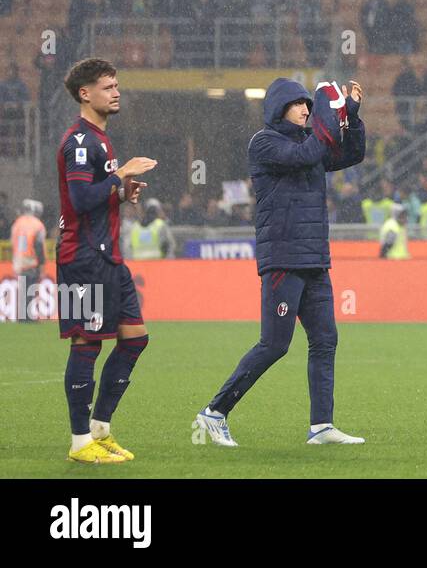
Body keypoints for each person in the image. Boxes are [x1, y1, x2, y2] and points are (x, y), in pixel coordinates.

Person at [196, 77, 367, 447]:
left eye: (310, 104)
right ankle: (215, 411)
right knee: (275, 344)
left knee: (325, 340)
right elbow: (307, 156)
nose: (306, 109)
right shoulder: (265, 143)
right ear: (279, 108)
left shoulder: (311, 141)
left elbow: (351, 153)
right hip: (284, 259)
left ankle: (321, 426)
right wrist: (327, 107)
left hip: (314, 259)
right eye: (299, 104)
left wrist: (349, 115)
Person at [57, 58, 156, 463]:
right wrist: (120, 176)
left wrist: (119, 193)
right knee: (87, 343)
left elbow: (94, 196)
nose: (116, 92)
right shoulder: (79, 141)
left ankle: (101, 428)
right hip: (81, 257)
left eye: (117, 86)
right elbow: (79, 200)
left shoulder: (100, 139)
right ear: (86, 93)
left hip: (108, 255)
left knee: (135, 338)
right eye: (108, 87)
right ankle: (81, 442)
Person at [10, 198, 46, 322]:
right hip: (31, 260)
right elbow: (39, 245)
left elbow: (12, 242)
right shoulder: (37, 224)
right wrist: (42, 264)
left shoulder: (17, 223)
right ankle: (29, 317)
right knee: (31, 289)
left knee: (23, 290)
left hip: (19, 260)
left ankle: (22, 317)